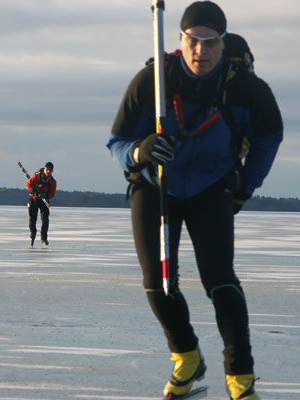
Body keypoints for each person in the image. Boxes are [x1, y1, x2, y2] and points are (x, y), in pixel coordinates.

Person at [107, 1, 283, 399]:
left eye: (210, 42)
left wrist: (244, 186)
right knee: (159, 281)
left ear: (224, 43)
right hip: (155, 188)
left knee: (219, 280)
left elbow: (269, 138)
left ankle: (241, 379)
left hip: (211, 188)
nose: (200, 51)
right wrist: (142, 151)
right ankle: (186, 356)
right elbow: (116, 142)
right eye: (192, 41)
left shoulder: (246, 87)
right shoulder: (153, 80)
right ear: (181, 40)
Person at [26, 162, 57, 247]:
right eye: (47, 169)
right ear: (44, 169)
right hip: (34, 199)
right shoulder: (37, 176)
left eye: (50, 170)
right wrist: (35, 192)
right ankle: (33, 233)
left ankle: (44, 238)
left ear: (52, 171)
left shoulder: (53, 182)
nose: (48, 171)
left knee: (45, 220)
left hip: (44, 201)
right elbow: (28, 184)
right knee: (32, 219)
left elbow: (52, 193)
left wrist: (46, 195)